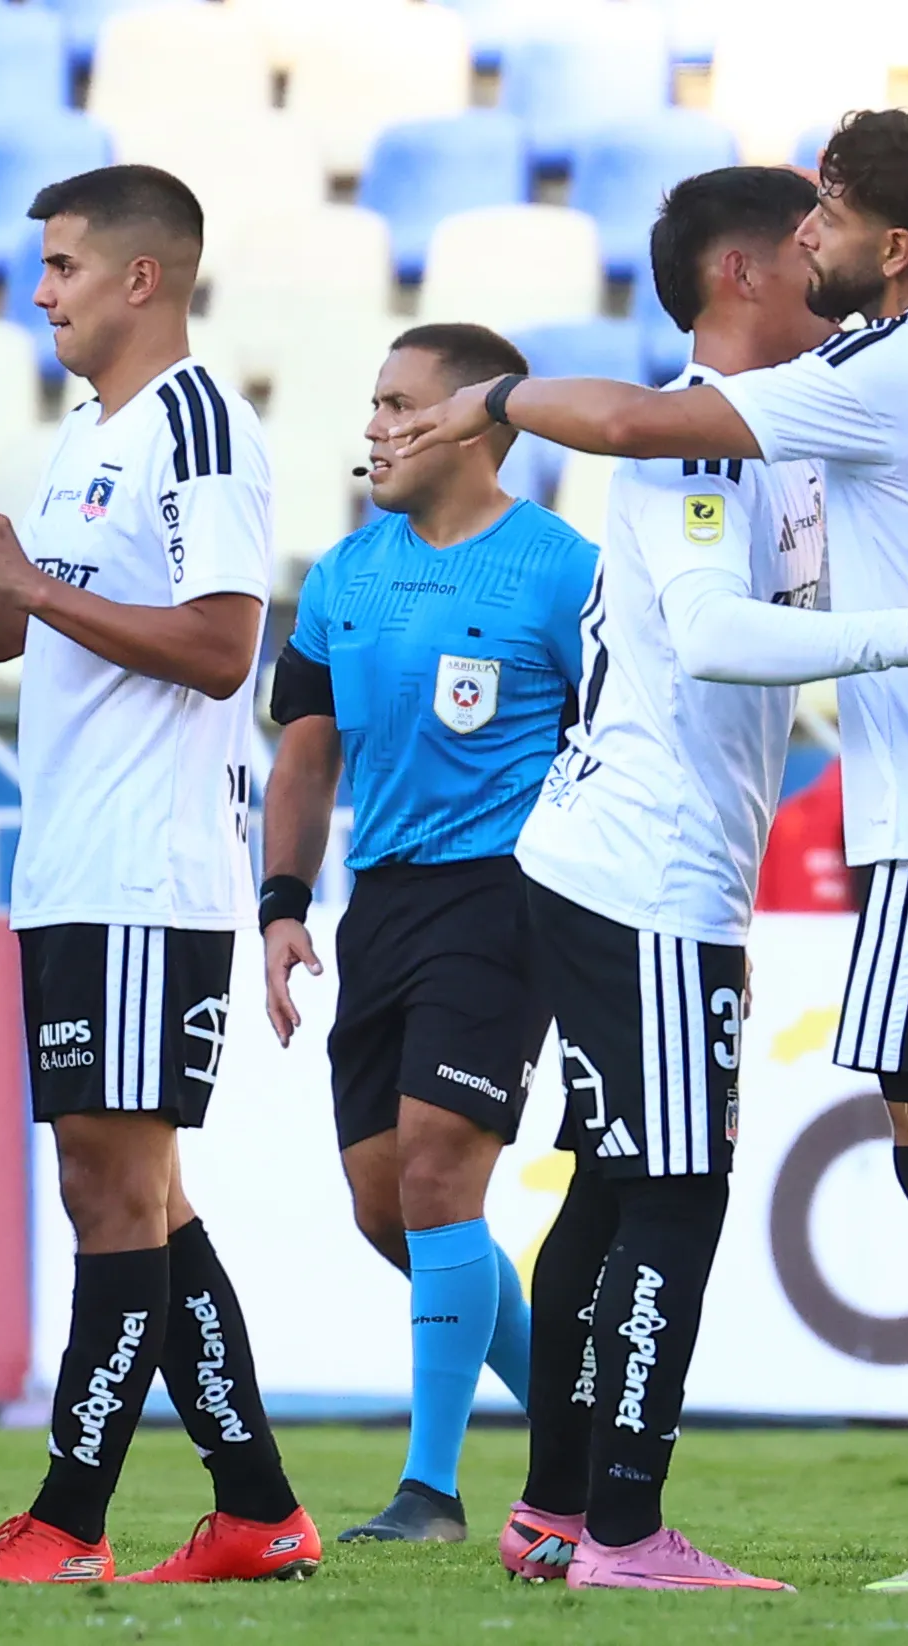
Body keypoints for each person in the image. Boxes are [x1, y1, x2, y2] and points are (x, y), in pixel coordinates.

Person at [398, 114, 908, 1597]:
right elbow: (722, 618)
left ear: (880, 246)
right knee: (663, 1186)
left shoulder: (834, 405)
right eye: (801, 213)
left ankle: (616, 1513)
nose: (815, 231)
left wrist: (489, 394)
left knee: (648, 1185)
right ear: (747, 269)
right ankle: (611, 1523)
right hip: (649, 860)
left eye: (836, 208)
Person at [0, 163, 318, 1584]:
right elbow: (5, 634)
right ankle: (256, 1506)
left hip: (147, 871)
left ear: (141, 278)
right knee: (145, 1197)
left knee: (112, 1195)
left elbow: (227, 644)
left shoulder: (201, 426)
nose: (39, 291)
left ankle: (66, 1521)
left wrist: (36, 582)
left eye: (60, 265)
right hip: (80, 864)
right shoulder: (86, 435)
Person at [258, 323, 595, 1544]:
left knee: (444, 1170)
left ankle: (433, 1492)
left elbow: (616, 744)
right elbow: (305, 745)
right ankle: (586, 1433)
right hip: (384, 900)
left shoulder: (565, 570)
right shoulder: (346, 575)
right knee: (386, 1205)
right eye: (372, 405)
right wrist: (284, 904)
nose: (376, 427)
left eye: (401, 405)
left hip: (507, 894)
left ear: (476, 422)